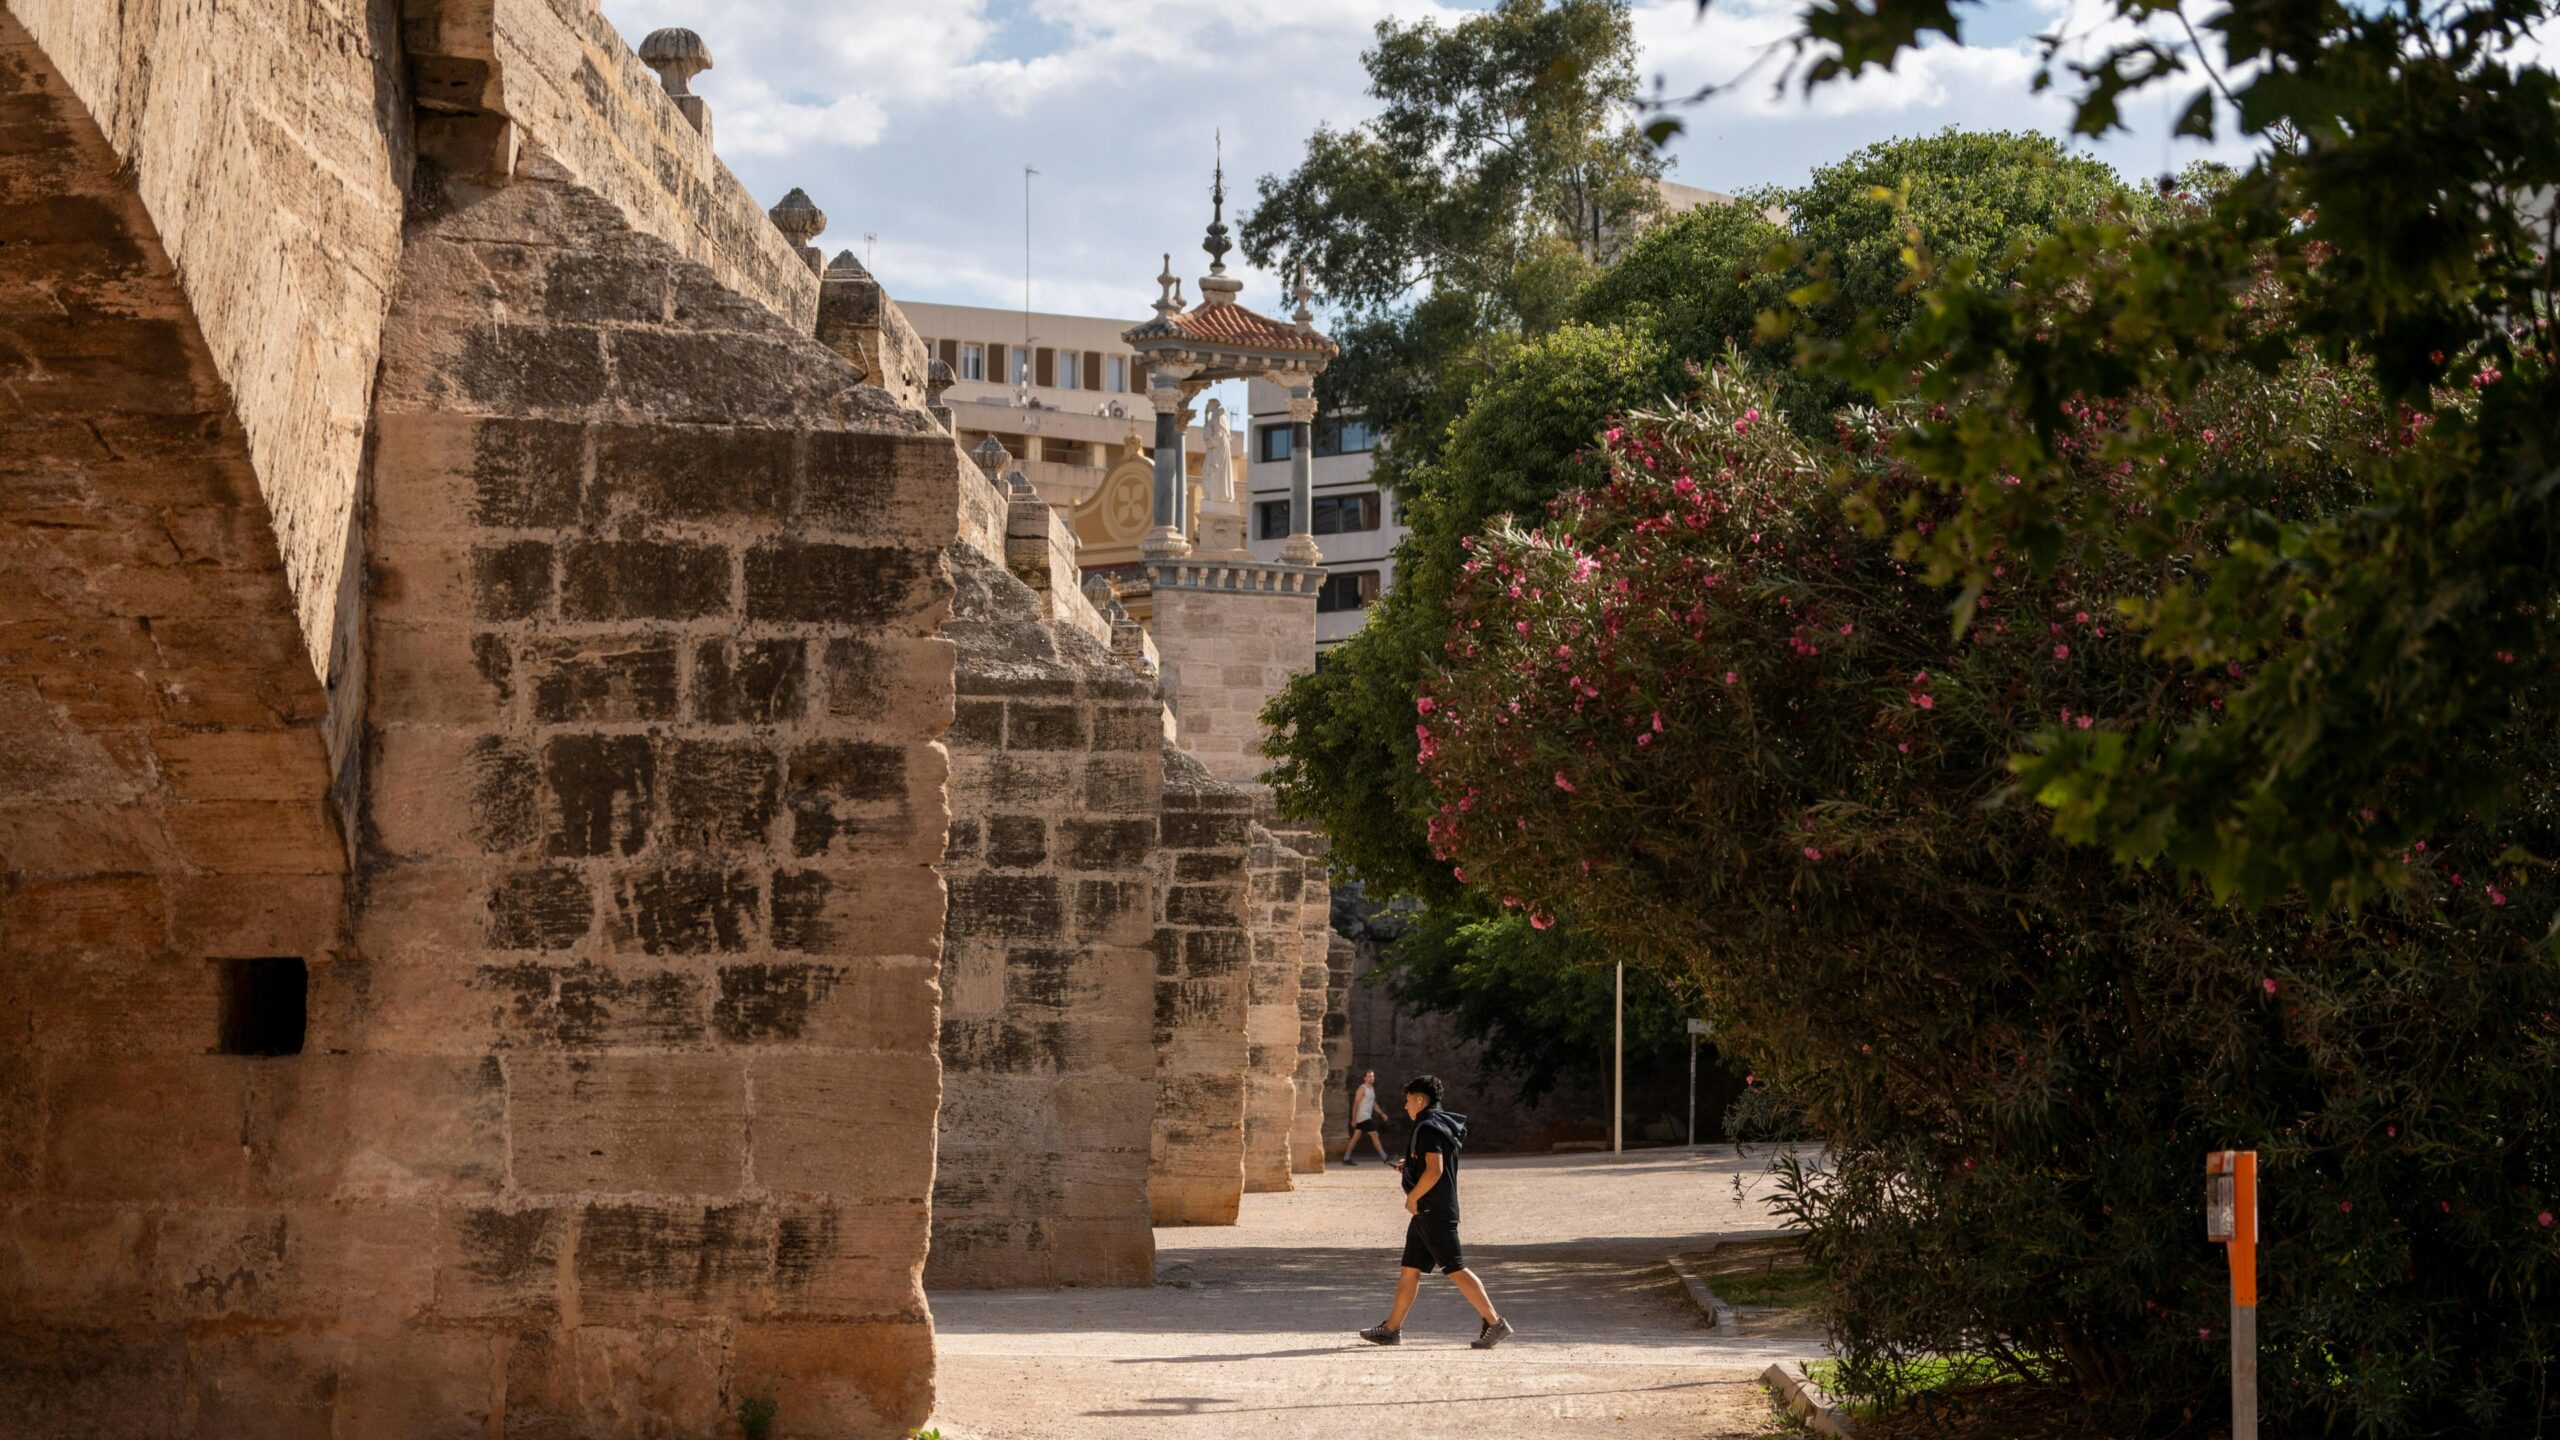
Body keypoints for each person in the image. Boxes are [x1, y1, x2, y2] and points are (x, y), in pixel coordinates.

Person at [1359, 1074, 1512, 1349]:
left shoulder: (1428, 1127)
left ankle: (1495, 1322)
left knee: (1454, 1267)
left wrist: (1413, 1197)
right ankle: (1391, 1329)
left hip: (1433, 1209)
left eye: (1408, 1101)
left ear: (1420, 1099)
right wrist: (1411, 1166)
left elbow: (1436, 1170)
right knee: (1410, 1268)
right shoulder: (1441, 1123)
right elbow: (1431, 1163)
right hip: (1429, 1210)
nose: (1406, 1107)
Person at [1344, 1070, 1391, 1165]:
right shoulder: (1362, 1088)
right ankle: (1384, 1156)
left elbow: (1373, 1103)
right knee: (1374, 1135)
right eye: (1369, 1076)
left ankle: (1346, 1158)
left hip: (1365, 1116)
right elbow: (1355, 1104)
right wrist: (1353, 1119)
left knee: (1356, 1136)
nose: (1371, 1078)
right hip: (1362, 1116)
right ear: (1365, 1078)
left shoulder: (1371, 1089)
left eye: (1372, 1076)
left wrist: (1381, 1113)